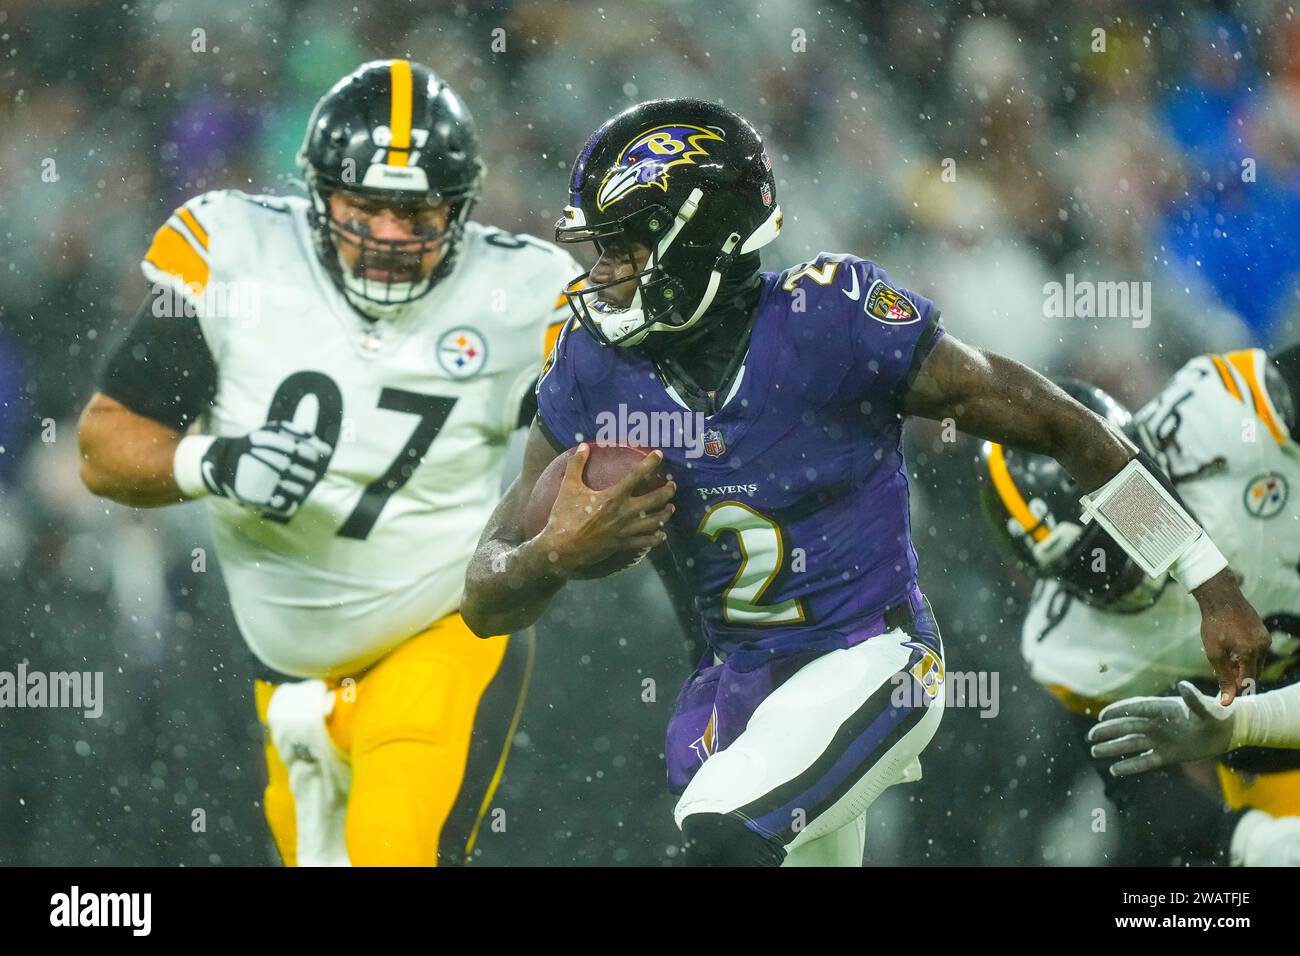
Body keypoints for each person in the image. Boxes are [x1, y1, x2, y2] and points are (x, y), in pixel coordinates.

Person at [460, 97, 1272, 867]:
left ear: (701, 240)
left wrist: (1206, 577)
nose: (604, 273)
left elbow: (1059, 424)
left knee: (715, 840)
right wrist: (552, 556)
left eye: (625, 249)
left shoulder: (830, 320)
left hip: (872, 658)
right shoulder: (595, 367)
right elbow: (485, 593)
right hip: (739, 691)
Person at [76, 60, 580, 866]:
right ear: (316, 195)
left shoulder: (524, 292)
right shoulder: (235, 253)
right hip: (289, 680)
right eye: (365, 207)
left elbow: (600, 449)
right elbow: (105, 444)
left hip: (439, 628)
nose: (387, 235)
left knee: (394, 852)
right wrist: (217, 462)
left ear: (459, 210)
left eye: (415, 214)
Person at [978, 348, 1300, 865]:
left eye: (1129, 531)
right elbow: (1139, 784)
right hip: (1281, 740)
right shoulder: (1071, 648)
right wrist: (1249, 842)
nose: (1129, 572)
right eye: (1091, 566)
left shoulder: (1223, 414)